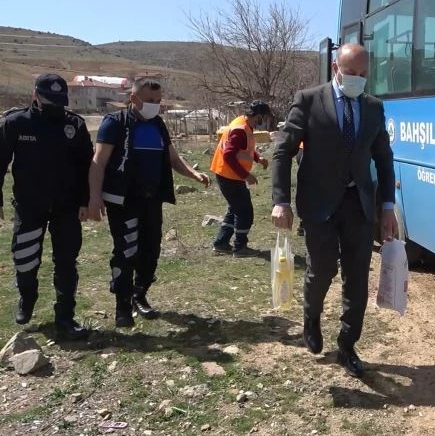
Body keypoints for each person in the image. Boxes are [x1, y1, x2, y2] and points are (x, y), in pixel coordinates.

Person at [271, 43, 398, 378]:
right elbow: (283, 152)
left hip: (359, 205)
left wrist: (388, 206)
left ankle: (347, 344)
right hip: (319, 204)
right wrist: (280, 200)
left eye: (362, 74)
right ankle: (311, 318)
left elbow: (383, 159)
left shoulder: (373, 108)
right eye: (350, 72)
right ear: (335, 69)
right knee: (322, 270)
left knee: (357, 277)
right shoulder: (309, 100)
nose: (356, 79)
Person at [87, 78, 210, 328]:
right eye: (150, 101)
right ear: (134, 99)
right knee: (126, 251)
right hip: (122, 200)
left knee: (151, 251)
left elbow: (173, 158)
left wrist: (193, 174)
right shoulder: (115, 123)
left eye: (158, 101)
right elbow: (99, 162)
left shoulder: (158, 125)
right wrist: (94, 196)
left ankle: (138, 294)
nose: (155, 105)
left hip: (152, 200)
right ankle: (122, 306)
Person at [0, 73, 93, 340]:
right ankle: (27, 298)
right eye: (50, 99)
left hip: (67, 207)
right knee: (25, 258)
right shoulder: (16, 123)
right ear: (36, 95)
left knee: (66, 262)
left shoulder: (74, 124)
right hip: (30, 206)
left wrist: (86, 201)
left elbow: (87, 165)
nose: (56, 105)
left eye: (60, 100)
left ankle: (65, 316)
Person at [209, 100, 270, 257]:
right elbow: (229, 155)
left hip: (227, 173)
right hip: (229, 175)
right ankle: (240, 247)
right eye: (264, 117)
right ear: (258, 116)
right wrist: (246, 175)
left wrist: (258, 158)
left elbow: (244, 149)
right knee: (244, 211)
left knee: (235, 209)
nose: (264, 121)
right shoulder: (241, 130)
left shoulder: (243, 123)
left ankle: (221, 243)